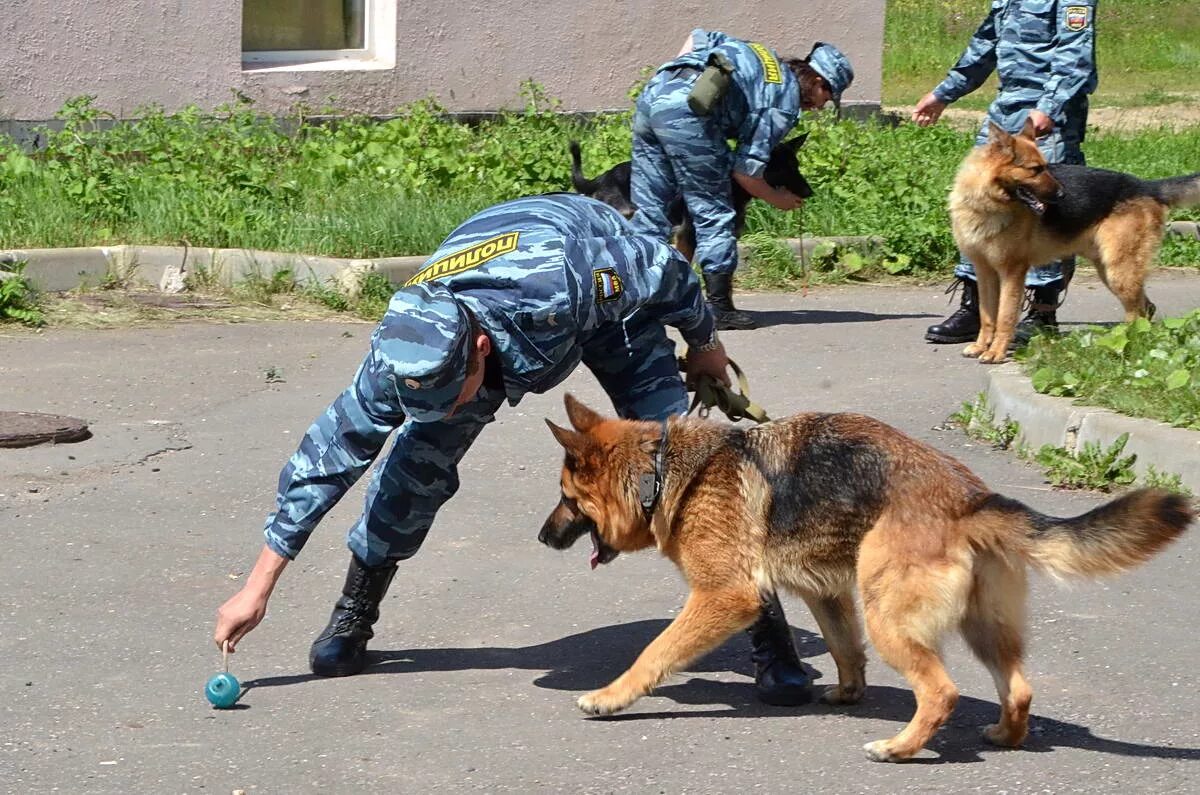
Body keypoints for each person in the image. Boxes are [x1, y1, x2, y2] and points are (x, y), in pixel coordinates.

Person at [213, 192, 815, 705]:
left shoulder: (567, 279)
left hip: (603, 302)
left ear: (478, 348)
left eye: (453, 398)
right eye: (432, 402)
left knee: (685, 463)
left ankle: (771, 643)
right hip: (505, 324)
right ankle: (354, 613)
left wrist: (706, 344)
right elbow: (326, 459)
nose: (446, 411)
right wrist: (256, 587)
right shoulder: (403, 353)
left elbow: (667, 272)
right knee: (411, 471)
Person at [630, 29, 854, 331]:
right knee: (715, 209)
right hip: (690, 117)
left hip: (654, 95)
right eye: (827, 97)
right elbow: (745, 173)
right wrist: (779, 199)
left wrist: (685, 88)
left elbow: (698, 36)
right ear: (816, 82)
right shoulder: (782, 100)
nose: (821, 106)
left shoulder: (763, 56)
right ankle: (719, 307)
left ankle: (635, 302)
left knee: (650, 209)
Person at [914, 0, 1097, 345]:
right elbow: (984, 45)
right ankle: (976, 310)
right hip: (1006, 108)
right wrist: (943, 93)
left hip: (1047, 118)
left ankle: (1042, 313)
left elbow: (1075, 55)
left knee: (1045, 211)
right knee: (979, 206)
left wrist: (1049, 107)